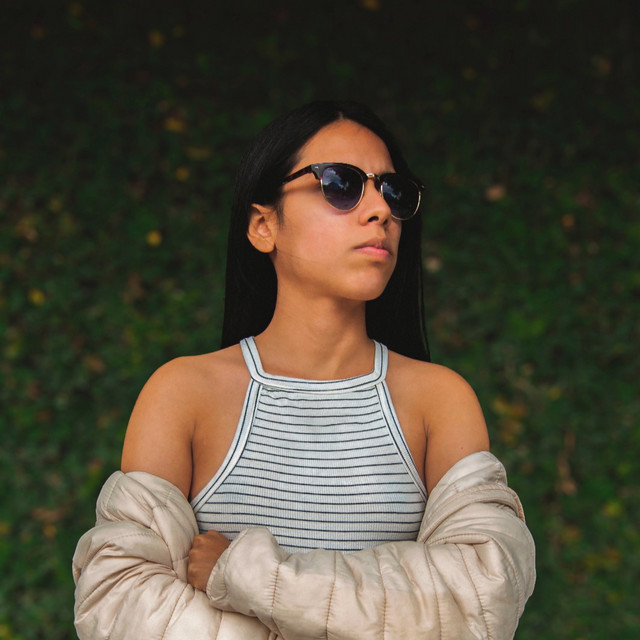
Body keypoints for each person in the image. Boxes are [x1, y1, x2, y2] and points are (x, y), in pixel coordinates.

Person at [73, 100, 535, 640]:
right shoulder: (184, 393)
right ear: (263, 225)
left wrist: (251, 575)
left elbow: (481, 598)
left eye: (392, 191)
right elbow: (120, 604)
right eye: (341, 184)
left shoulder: (439, 400)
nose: (379, 211)